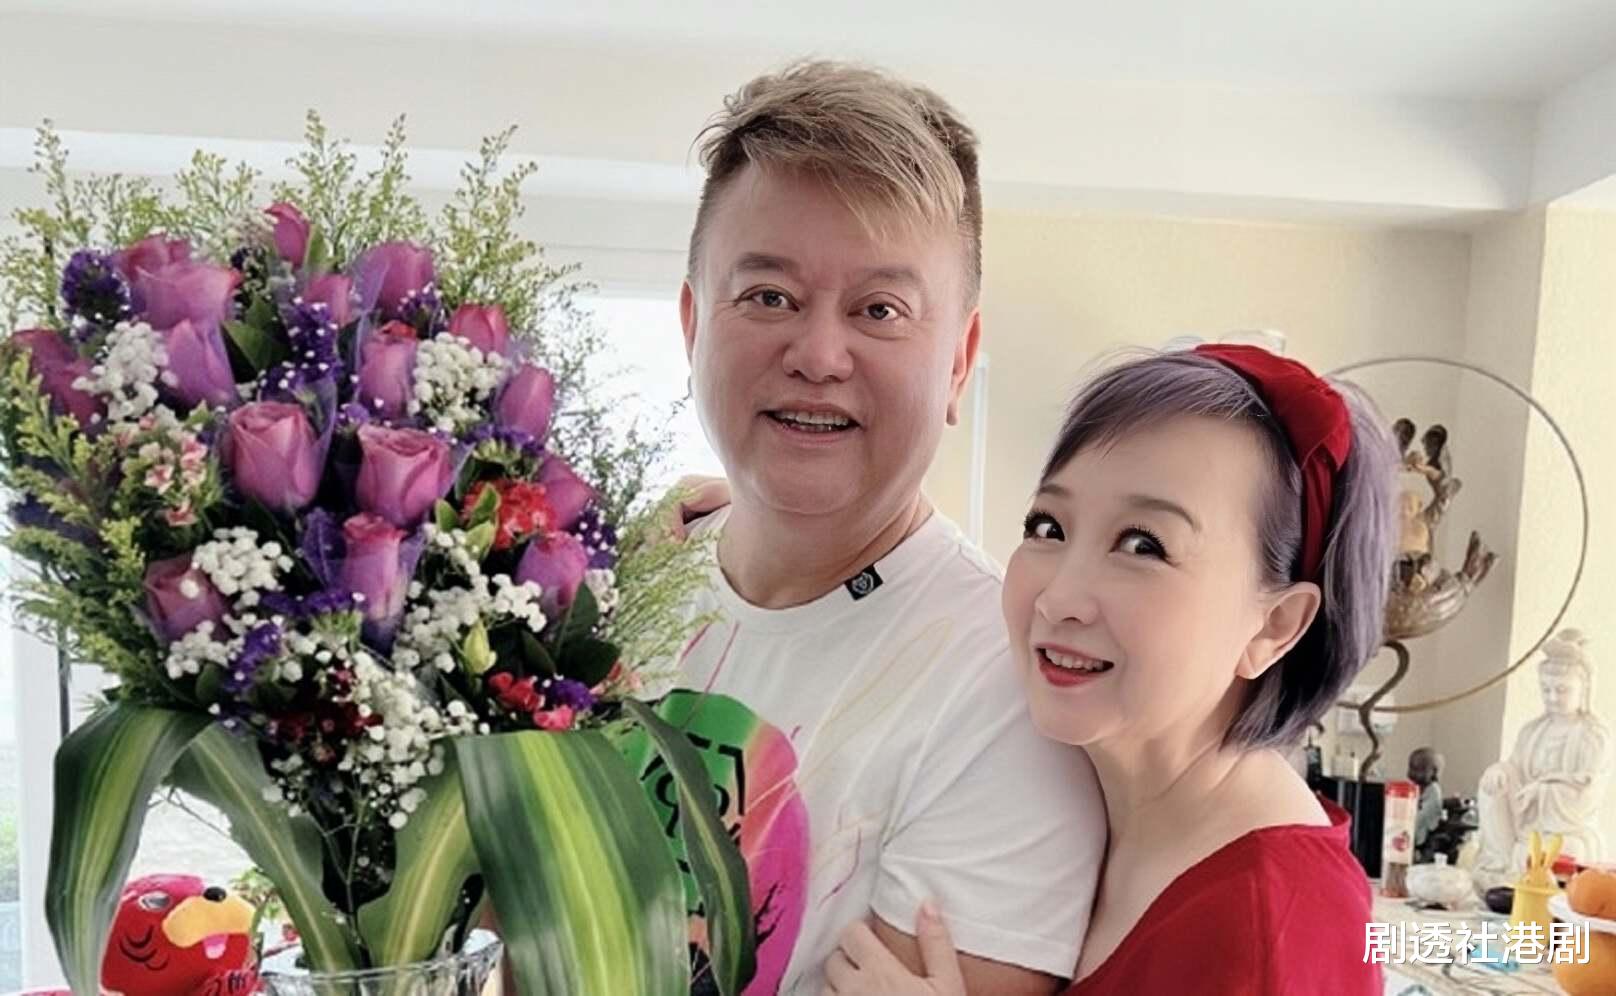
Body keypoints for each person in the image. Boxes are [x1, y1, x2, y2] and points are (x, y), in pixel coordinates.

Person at [651, 60, 1105, 996]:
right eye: (768, 296)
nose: (819, 355)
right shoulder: (612, 581)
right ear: (693, 324)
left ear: (959, 362)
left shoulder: (1006, 694)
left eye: (881, 310)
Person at [819, 345, 1395, 994]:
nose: (1058, 598)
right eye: (1049, 527)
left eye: (1142, 545)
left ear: (1274, 626)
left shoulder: (1278, 927)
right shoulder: (1074, 787)